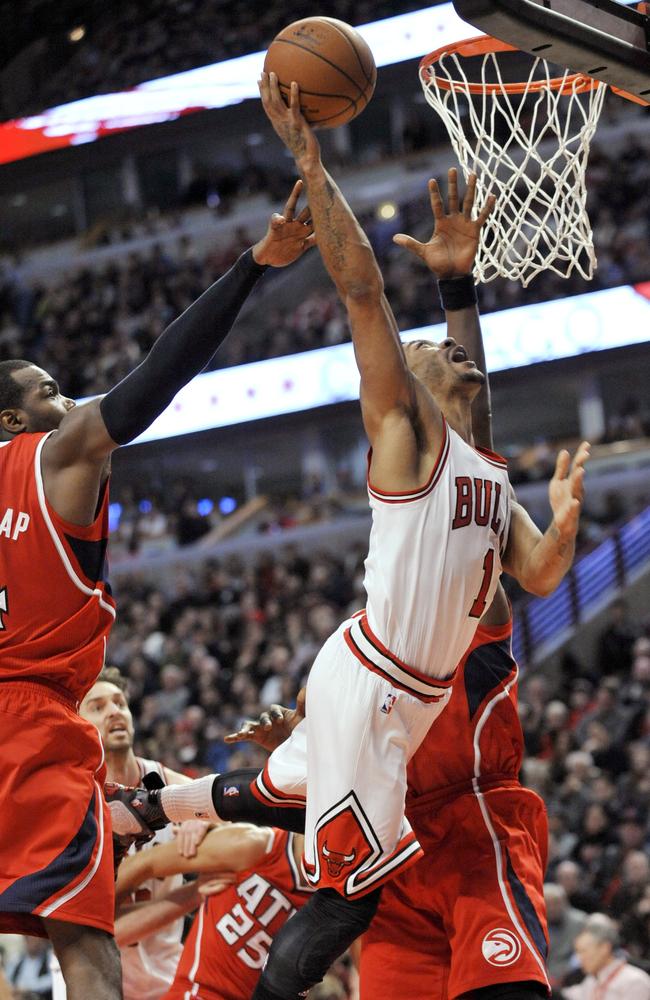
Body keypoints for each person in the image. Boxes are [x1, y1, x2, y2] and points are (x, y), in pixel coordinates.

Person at [114, 83, 590, 1000]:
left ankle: (137, 809)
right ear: (401, 389)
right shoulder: (407, 446)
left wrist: (563, 535)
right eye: (430, 349)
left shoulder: (488, 481)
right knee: (341, 907)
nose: (449, 353)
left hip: (390, 696)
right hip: (378, 687)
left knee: (271, 799)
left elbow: (535, 572)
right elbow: (365, 292)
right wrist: (312, 166)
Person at [226, 175, 556, 1000]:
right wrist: (308, 746)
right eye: (426, 351)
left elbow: (477, 440)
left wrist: (456, 292)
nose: (445, 354)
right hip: (399, 836)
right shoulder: (388, 613)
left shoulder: (472, 567)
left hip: (477, 823)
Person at [0, 183, 314, 1000]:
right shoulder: (54, 454)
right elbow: (153, 381)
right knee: (82, 940)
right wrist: (253, 267)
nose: (63, 401)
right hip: (30, 724)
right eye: (45, 392)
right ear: (8, 419)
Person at [50, 666, 212, 1000]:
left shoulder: (169, 782)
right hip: (90, 979)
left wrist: (206, 818)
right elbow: (106, 925)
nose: (114, 712)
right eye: (98, 707)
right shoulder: (67, 803)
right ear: (78, 724)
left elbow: (234, 813)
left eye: (119, 703)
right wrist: (192, 893)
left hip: (167, 977)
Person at [112, 823, 312, 1000]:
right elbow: (141, 864)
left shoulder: (336, 901)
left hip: (162, 977)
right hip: (194, 991)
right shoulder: (253, 844)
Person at [563, 913, 650, 1000]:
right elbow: (565, 995)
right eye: (577, 952)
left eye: (583, 951)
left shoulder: (635, 981)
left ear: (605, 948)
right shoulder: (591, 980)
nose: (579, 958)